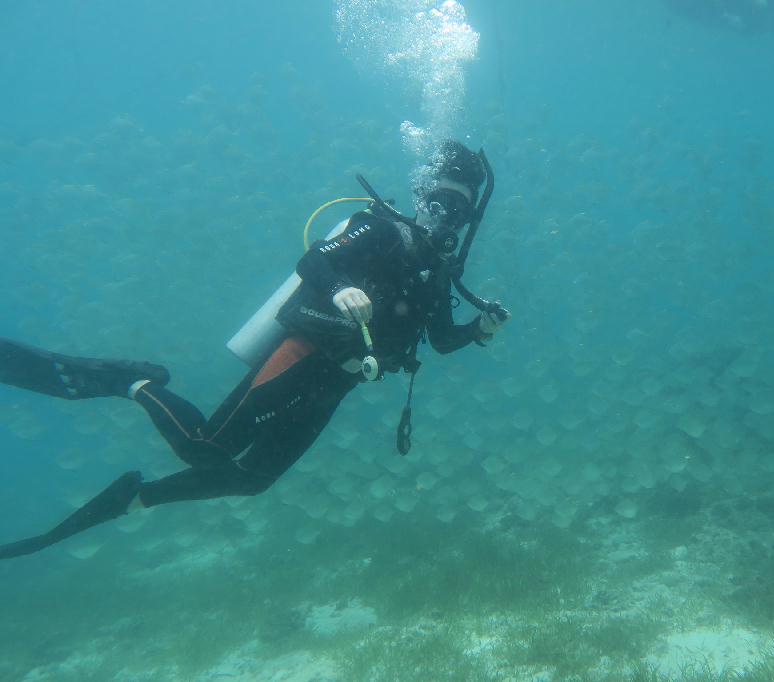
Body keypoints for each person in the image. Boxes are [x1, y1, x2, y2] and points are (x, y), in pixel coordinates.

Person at [0, 140, 509, 560]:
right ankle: (134, 383)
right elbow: (314, 262)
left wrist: (478, 329)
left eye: (459, 209)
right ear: (422, 195)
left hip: (338, 383)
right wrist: (339, 289)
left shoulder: (438, 273)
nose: (447, 215)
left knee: (253, 478)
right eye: (439, 200)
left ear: (467, 219)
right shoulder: (379, 228)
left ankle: (138, 497)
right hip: (307, 349)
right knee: (205, 448)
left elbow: (441, 340)